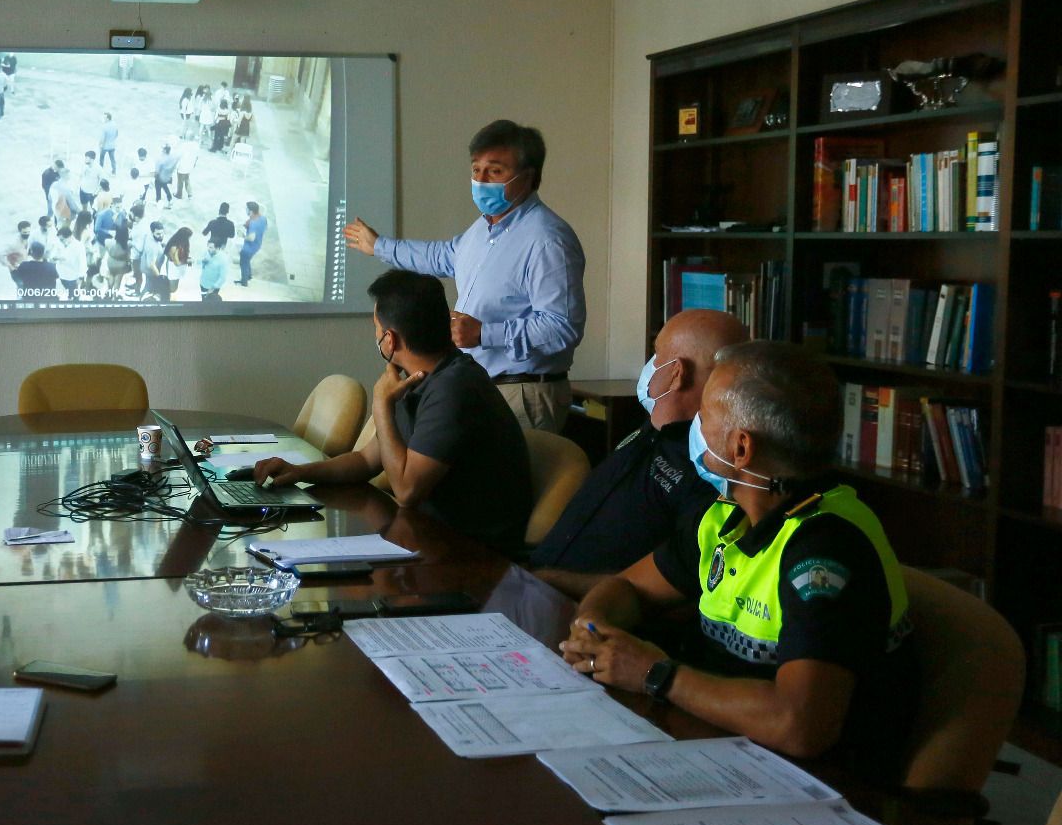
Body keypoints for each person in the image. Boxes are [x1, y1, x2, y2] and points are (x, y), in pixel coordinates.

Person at [558, 341, 918, 776]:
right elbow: (629, 587)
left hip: (811, 786)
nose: (694, 424)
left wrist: (655, 674)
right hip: (715, 745)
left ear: (741, 448)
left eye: (705, 416)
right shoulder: (727, 515)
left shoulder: (824, 551)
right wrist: (592, 629)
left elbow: (800, 725)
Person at [255, 270, 532, 554]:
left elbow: (407, 490)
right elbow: (366, 460)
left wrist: (381, 406)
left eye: (376, 327)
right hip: (428, 536)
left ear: (390, 340)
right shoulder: (423, 376)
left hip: (471, 556)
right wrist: (300, 472)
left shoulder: (454, 388)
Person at [345, 120, 586, 433]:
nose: (481, 180)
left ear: (527, 177)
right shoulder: (483, 230)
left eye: (495, 171)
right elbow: (441, 256)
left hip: (524, 392)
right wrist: (379, 246)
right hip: (483, 384)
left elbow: (562, 329)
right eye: (476, 170)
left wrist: (486, 334)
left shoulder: (547, 240)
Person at [531, 309, 748, 593]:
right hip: (537, 582)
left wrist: (550, 580)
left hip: (585, 608)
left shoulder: (707, 467)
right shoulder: (648, 428)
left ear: (675, 373)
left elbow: (674, 585)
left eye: (656, 355)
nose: (650, 365)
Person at [52, 225, 86, 300]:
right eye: (60, 239)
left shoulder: (79, 246)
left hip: (73, 277)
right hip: (60, 274)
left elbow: (83, 262)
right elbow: (53, 255)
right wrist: (56, 257)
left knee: (73, 297)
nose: (60, 241)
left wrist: (81, 277)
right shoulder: (59, 243)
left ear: (70, 236)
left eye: (62, 239)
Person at [237, 201, 267, 287]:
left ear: (251, 211)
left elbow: (251, 238)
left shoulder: (253, 223)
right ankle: (248, 275)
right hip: (257, 244)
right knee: (247, 261)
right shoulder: (263, 218)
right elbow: (263, 228)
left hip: (249, 248)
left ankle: (244, 282)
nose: (245, 210)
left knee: (243, 263)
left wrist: (242, 235)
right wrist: (247, 225)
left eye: (247, 209)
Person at [154, 145, 177, 209]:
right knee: (165, 187)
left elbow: (157, 170)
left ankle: (158, 202)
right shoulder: (171, 158)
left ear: (164, 150)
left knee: (158, 190)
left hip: (160, 177)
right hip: (167, 177)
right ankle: (170, 199)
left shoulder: (161, 159)